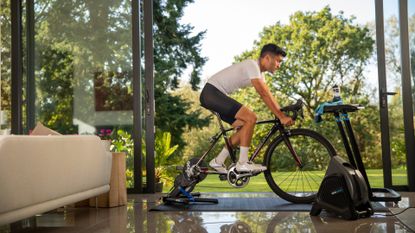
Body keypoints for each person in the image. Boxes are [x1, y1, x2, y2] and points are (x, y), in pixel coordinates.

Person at [199, 43, 294, 173]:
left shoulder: (260, 75)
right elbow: (263, 94)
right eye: (278, 61)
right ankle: (243, 163)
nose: (279, 65)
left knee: (245, 126)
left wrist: (282, 112)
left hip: (214, 95)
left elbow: (268, 95)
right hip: (212, 93)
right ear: (267, 58)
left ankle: (218, 161)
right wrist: (281, 117)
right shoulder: (252, 65)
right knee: (251, 117)